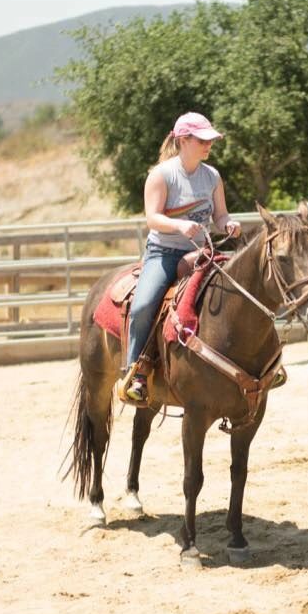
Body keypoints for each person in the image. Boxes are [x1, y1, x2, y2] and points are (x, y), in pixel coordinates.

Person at [119, 112, 241, 403]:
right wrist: (180, 225)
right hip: (164, 252)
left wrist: (228, 224)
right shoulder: (161, 175)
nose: (207, 145)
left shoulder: (211, 176)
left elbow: (220, 214)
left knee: (238, 293)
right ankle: (135, 371)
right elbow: (152, 218)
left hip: (200, 253)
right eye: (201, 140)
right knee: (144, 304)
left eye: (209, 140)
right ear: (183, 140)